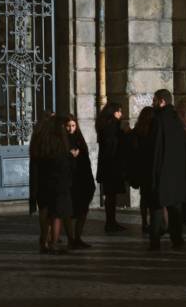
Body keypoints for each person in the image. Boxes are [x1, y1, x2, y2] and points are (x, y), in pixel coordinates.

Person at [150, 89, 186, 251]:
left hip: (162, 171)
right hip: (177, 172)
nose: (152, 103)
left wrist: (153, 173)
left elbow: (155, 149)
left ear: (162, 101)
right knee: (175, 207)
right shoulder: (179, 119)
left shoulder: (158, 119)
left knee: (157, 207)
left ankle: (155, 241)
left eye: (154, 100)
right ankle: (177, 238)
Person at [38, 116, 74, 254]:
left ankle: (46, 242)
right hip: (59, 183)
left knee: (51, 214)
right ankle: (53, 243)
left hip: (48, 182)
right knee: (57, 215)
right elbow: (62, 163)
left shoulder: (44, 141)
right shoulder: (59, 143)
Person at [95, 102, 129, 233]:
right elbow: (114, 144)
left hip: (107, 165)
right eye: (119, 111)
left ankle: (111, 222)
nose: (121, 114)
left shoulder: (105, 125)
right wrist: (124, 134)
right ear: (113, 112)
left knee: (111, 196)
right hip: (112, 165)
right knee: (111, 196)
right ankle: (110, 223)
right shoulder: (112, 126)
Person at [63, 114, 96, 249]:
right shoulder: (62, 141)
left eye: (73, 126)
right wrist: (70, 155)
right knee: (69, 212)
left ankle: (77, 237)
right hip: (69, 181)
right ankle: (71, 239)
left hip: (82, 179)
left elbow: (85, 160)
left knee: (83, 210)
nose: (71, 129)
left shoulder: (79, 139)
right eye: (68, 126)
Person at [128, 106, 157, 238]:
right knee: (152, 197)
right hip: (152, 168)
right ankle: (153, 222)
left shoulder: (137, 131)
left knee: (144, 197)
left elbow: (133, 150)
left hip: (141, 168)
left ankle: (144, 221)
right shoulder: (154, 131)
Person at [28, 113, 55, 253]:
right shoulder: (51, 141)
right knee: (50, 213)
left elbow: (33, 168)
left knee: (44, 212)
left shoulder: (36, 140)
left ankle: (44, 239)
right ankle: (46, 239)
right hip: (49, 180)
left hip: (40, 181)